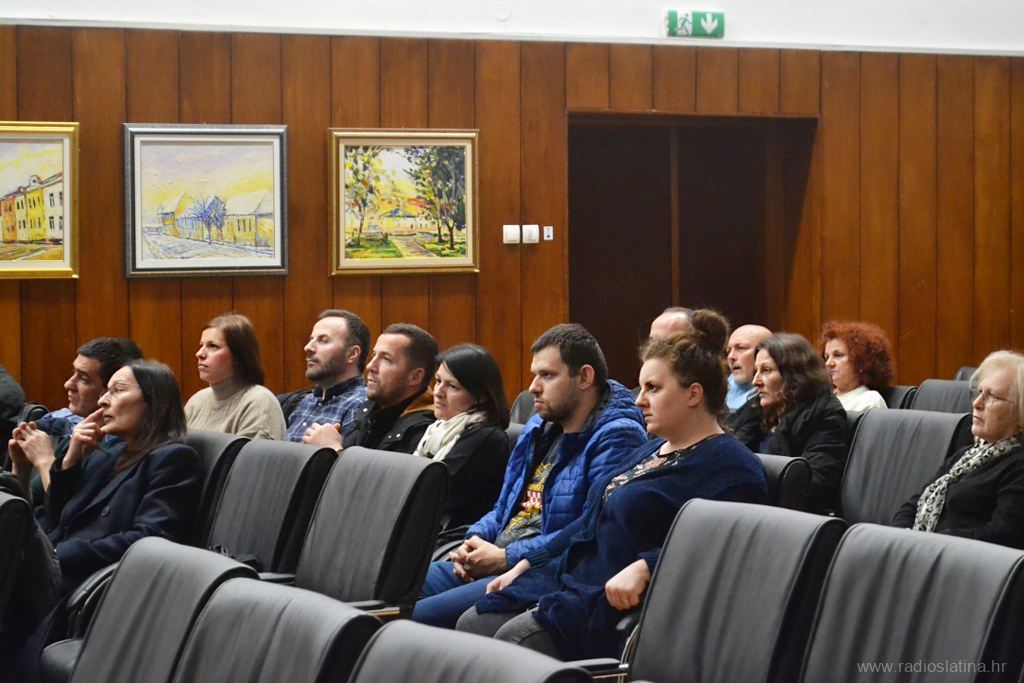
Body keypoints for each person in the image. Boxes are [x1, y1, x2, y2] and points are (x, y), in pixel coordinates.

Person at [456, 310, 768, 659]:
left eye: (653, 388)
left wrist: (647, 567)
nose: (639, 399)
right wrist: (528, 562)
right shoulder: (650, 449)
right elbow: (589, 520)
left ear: (693, 394)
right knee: (473, 622)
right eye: (642, 387)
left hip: (616, 598)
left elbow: (727, 550)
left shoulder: (732, 466)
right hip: (571, 575)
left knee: (512, 638)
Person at [412, 323, 647, 628]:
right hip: (495, 556)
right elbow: (504, 507)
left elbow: (588, 529)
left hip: (537, 571)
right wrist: (474, 541)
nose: (533, 386)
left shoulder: (618, 437)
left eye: (547, 375)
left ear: (585, 377)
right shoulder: (538, 426)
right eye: (535, 374)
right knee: (384, 586)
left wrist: (506, 557)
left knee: (413, 617)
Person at [892, 351, 1024, 548]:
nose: (977, 403)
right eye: (979, 392)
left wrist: (930, 542)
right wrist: (898, 536)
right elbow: (914, 503)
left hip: (958, 559)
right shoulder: (965, 455)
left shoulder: (1018, 466)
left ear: (1020, 414)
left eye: (992, 396)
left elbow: (1002, 534)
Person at [8, 338, 143, 504]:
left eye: (84, 379)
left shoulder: (123, 452)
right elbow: (27, 510)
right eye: (74, 373)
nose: (68, 384)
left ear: (111, 390)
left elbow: (68, 515)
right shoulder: (75, 436)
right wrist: (21, 468)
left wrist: (45, 462)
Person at [731, 332, 848, 513]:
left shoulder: (824, 415)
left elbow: (815, 487)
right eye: (756, 371)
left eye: (766, 370)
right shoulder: (756, 410)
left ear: (794, 375)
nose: (755, 382)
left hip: (784, 516)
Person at [413, 344, 511, 529]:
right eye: (438, 381)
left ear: (481, 396)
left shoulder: (486, 439)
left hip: (457, 537)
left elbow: (431, 495)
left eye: (452, 386)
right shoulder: (437, 428)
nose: (437, 392)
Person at [303, 322, 437, 453]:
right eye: (374, 355)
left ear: (415, 377)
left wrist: (333, 450)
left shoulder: (425, 429)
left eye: (386, 359)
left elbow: (382, 469)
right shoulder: (369, 409)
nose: (370, 366)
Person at [184, 313, 286, 439]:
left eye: (213, 346)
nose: (199, 354)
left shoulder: (259, 402)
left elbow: (251, 452)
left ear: (238, 356)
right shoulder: (197, 401)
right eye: (201, 345)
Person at [284, 309, 371, 442]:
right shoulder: (305, 402)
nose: (308, 347)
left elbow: (344, 455)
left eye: (323, 340)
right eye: (311, 339)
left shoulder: (360, 405)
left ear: (352, 354)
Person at [818, 321, 893, 413]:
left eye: (838, 355)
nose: (828, 363)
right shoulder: (822, 398)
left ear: (861, 362)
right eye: (826, 357)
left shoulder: (870, 401)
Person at [724, 324, 772, 411]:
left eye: (741, 348)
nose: (731, 357)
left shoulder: (773, 398)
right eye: (728, 351)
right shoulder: (719, 390)